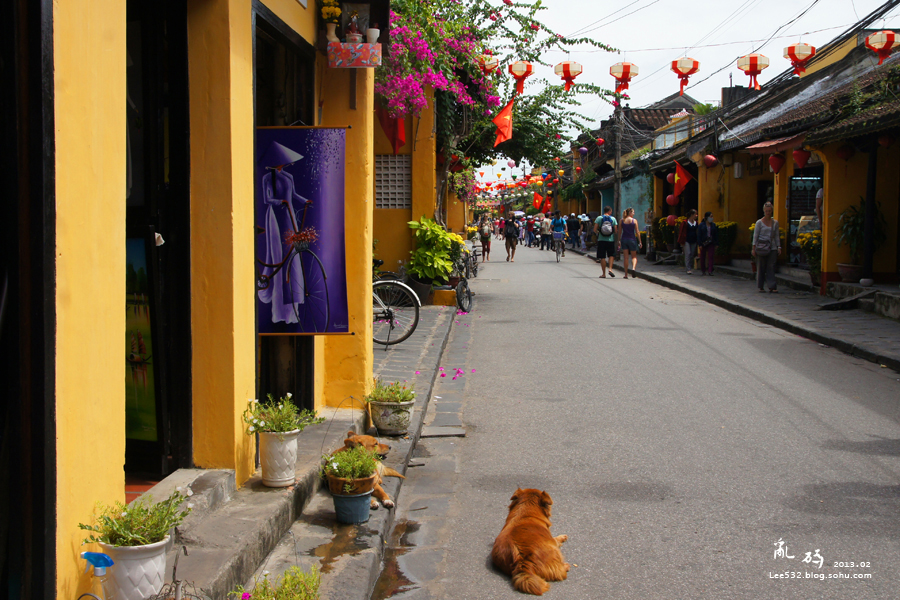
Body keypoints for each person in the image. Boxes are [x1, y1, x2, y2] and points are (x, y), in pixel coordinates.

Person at [752, 201, 781, 292]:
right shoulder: (759, 223)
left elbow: (777, 236)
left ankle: (772, 286)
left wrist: (779, 247)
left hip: (772, 247)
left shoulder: (775, 223)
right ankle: (760, 286)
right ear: (764, 211)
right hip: (761, 247)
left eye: (769, 211)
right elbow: (755, 236)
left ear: (772, 211)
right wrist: (753, 248)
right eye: (766, 211)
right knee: (761, 267)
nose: (768, 212)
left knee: (771, 267)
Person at [593, 206, 617, 278]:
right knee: (611, 255)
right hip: (610, 240)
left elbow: (594, 229)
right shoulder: (613, 219)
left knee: (602, 257)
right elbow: (616, 231)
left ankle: (604, 274)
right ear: (609, 211)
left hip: (601, 240)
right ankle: (610, 269)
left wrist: (599, 233)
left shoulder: (599, 218)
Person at [618, 207, 642, 279]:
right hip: (632, 240)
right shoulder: (634, 221)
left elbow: (620, 231)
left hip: (624, 240)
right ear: (630, 212)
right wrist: (640, 241)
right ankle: (633, 268)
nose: (634, 213)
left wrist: (619, 240)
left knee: (626, 257)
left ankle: (626, 274)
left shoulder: (622, 220)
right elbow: (637, 231)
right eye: (633, 212)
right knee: (634, 257)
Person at [678, 209, 699, 274]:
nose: (696, 215)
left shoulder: (696, 223)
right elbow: (681, 232)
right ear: (692, 215)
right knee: (688, 253)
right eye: (695, 214)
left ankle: (690, 266)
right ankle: (688, 268)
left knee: (692, 254)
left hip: (694, 240)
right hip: (686, 240)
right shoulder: (685, 222)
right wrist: (681, 242)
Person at [697, 211, 718, 275]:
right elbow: (699, 235)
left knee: (711, 256)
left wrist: (717, 243)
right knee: (703, 257)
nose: (712, 218)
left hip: (711, 242)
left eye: (712, 216)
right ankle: (703, 270)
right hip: (703, 242)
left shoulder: (713, 225)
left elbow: (716, 235)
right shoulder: (701, 225)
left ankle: (710, 270)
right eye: (711, 216)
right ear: (707, 217)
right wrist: (700, 244)